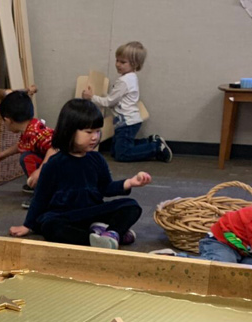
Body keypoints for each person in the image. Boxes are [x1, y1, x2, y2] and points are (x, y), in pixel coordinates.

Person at [10, 99, 151, 249]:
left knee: (131, 206)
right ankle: (94, 239)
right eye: (88, 132)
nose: (95, 137)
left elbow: (106, 187)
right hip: (66, 216)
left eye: (97, 131)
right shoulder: (55, 163)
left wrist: (130, 182)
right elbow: (40, 197)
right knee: (49, 226)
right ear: (69, 131)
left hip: (91, 212)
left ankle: (112, 233)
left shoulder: (97, 159)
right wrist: (27, 225)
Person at [82, 41, 172, 163]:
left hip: (127, 123)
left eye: (123, 62)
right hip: (126, 121)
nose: (118, 64)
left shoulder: (124, 81)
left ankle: (156, 147)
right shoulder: (130, 77)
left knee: (122, 155)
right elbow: (114, 98)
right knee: (115, 151)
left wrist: (91, 97)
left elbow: (109, 102)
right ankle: (150, 141)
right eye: (117, 60)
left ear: (134, 64)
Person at [0, 89, 56, 208]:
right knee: (27, 154)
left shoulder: (35, 134)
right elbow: (22, 145)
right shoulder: (31, 127)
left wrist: (39, 172)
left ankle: (42, 194)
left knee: (27, 158)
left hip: (62, 167)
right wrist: (2, 154)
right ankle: (42, 185)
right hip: (54, 165)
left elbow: (55, 148)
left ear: (7, 120)